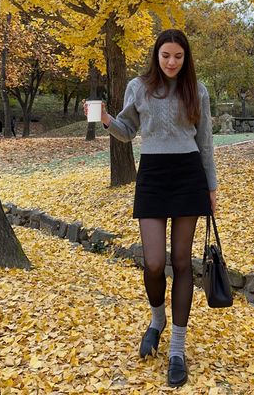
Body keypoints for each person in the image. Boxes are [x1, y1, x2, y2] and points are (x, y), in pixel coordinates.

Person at [89, 29, 217, 388]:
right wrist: (105, 120)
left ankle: (177, 348)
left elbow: (205, 140)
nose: (172, 62)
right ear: (156, 56)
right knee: (154, 262)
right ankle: (156, 319)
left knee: (181, 262)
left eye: (178, 56)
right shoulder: (139, 87)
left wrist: (211, 186)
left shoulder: (198, 90)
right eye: (166, 56)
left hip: (189, 174)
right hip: (154, 175)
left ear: (185, 57)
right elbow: (127, 130)